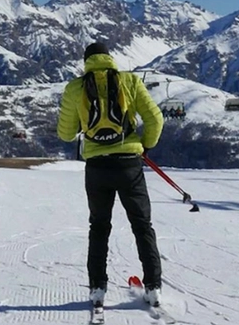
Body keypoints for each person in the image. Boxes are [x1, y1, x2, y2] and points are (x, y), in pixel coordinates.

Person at [57, 42, 165, 309]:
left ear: (86, 61)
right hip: (129, 164)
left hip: (97, 168)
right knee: (142, 226)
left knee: (99, 228)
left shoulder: (75, 87)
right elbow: (155, 119)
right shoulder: (129, 81)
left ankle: (97, 289)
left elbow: (65, 134)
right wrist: (145, 146)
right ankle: (153, 287)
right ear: (110, 58)